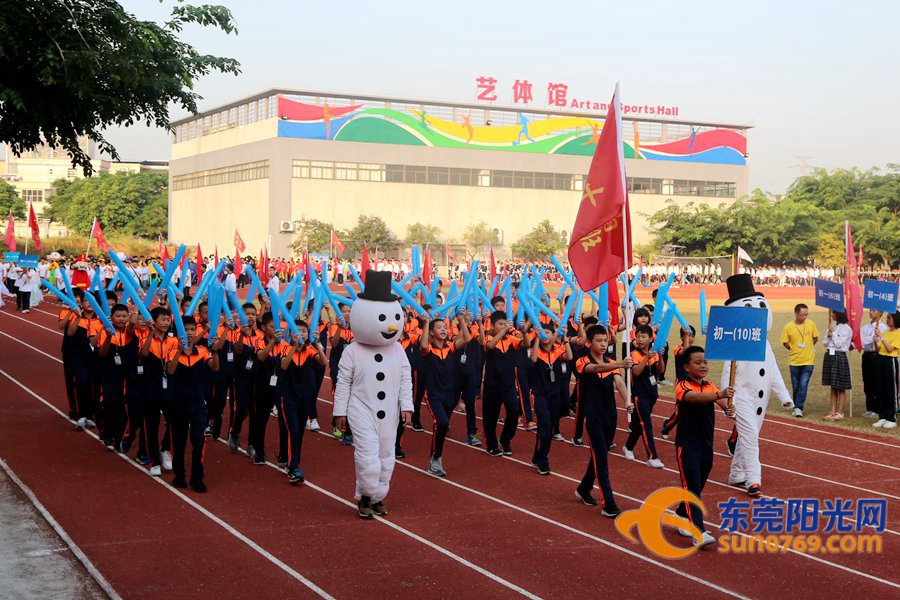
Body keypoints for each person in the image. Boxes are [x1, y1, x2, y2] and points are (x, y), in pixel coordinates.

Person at [332, 271, 413, 519]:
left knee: (386, 455)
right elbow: (342, 381)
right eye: (382, 318)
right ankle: (366, 497)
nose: (390, 325)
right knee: (367, 455)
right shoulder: (353, 351)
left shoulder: (397, 350)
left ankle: (377, 496)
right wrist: (340, 411)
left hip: (389, 411)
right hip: (361, 408)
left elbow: (405, 378)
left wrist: (406, 406)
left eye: (393, 318)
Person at [673, 346, 735, 548]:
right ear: (686, 367)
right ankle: (698, 531)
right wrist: (719, 395)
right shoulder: (682, 386)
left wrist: (729, 407)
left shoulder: (709, 386)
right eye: (697, 363)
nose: (703, 366)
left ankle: (682, 513)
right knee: (692, 488)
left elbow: (725, 405)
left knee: (697, 485)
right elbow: (693, 398)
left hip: (706, 445)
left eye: (705, 362)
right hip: (687, 444)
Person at [574, 325, 632, 517]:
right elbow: (596, 368)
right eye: (599, 341)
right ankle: (609, 504)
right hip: (593, 416)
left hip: (610, 415)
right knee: (601, 458)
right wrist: (620, 365)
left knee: (599, 455)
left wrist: (627, 400)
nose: (603, 344)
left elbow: (620, 383)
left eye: (606, 340)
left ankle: (584, 487)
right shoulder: (582, 361)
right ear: (589, 343)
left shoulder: (611, 363)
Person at [166, 316, 220, 492]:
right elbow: (170, 370)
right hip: (178, 404)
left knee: (198, 441)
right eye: (185, 330)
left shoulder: (203, 351)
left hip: (197, 403)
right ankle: (179, 476)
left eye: (192, 330)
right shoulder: (172, 350)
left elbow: (215, 367)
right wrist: (179, 351)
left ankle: (197, 479)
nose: (189, 333)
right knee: (179, 442)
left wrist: (216, 350)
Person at [419, 311, 470, 477]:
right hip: (434, 393)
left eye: (445, 327)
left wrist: (462, 320)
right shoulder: (429, 350)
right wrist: (426, 323)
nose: (443, 330)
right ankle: (435, 459)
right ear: (432, 332)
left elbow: (467, 339)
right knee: (440, 423)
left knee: (441, 426)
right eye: (439, 327)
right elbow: (424, 345)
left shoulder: (450, 347)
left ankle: (436, 457)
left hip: (450, 393)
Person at [279, 321, 327, 483]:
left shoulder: (310, 349)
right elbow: (284, 366)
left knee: (299, 430)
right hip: (289, 396)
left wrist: (316, 343)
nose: (301, 333)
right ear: (290, 334)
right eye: (296, 331)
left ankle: (291, 460)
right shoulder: (285, 347)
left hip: (305, 397)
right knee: (293, 430)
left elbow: (324, 362)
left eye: (304, 331)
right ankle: (293, 467)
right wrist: (294, 346)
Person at [528, 321, 572, 475]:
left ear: (554, 335)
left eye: (548, 333)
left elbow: (569, 356)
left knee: (548, 427)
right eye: (542, 333)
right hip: (540, 394)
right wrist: (536, 338)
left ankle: (536, 456)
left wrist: (565, 338)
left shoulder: (557, 351)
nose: (544, 335)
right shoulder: (536, 351)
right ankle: (543, 461)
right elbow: (533, 360)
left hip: (555, 394)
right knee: (545, 426)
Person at [482, 311, 525, 456]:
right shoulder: (488, 337)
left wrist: (524, 330)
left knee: (513, 411)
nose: (503, 326)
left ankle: (505, 439)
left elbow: (526, 343)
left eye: (504, 324)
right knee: (491, 416)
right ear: (493, 326)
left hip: (508, 384)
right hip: (492, 384)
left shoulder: (511, 339)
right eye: (499, 324)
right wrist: (504, 330)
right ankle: (491, 445)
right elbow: (490, 346)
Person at [623, 325, 666, 468]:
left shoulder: (655, 353)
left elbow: (661, 370)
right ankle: (652, 456)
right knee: (646, 424)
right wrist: (646, 358)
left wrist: (660, 357)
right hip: (639, 395)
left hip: (652, 393)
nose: (640, 339)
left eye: (643, 336)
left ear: (650, 338)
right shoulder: (634, 354)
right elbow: (635, 371)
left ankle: (628, 446)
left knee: (637, 424)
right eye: (638, 336)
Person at [780, 303, 819, 418]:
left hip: (808, 361)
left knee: (803, 385)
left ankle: (798, 407)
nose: (805, 317)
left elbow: (815, 338)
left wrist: (809, 348)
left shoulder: (811, 324)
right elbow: (785, 342)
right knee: (796, 385)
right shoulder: (788, 327)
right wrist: (793, 349)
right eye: (802, 315)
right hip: (794, 361)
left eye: (806, 315)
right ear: (796, 314)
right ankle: (797, 406)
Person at [660, 325, 696, 439]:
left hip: (693, 384)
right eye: (687, 336)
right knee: (679, 411)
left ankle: (687, 431)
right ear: (682, 337)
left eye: (692, 336)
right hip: (682, 384)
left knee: (692, 410)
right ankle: (667, 426)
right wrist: (686, 335)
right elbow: (685, 354)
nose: (690, 338)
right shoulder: (678, 349)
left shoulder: (695, 350)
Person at [822, 311, 852, 420]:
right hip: (829, 355)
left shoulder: (847, 329)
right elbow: (825, 343)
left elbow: (840, 344)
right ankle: (832, 410)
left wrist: (833, 334)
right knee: (833, 385)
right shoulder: (832, 326)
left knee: (841, 386)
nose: (832, 315)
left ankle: (840, 412)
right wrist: (829, 335)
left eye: (833, 313)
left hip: (839, 356)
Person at [872, 312, 899, 430]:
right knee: (881, 389)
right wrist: (875, 340)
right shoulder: (886, 332)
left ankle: (891, 418)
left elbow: (889, 349)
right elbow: (879, 350)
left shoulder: (898, 333)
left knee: (891, 390)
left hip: (891, 361)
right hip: (881, 360)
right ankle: (882, 416)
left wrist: (881, 338)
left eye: (889, 318)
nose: (887, 320)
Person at [860, 310, 888, 419]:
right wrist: (871, 338)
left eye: (874, 310)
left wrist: (873, 339)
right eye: (870, 310)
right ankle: (870, 408)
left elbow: (880, 342)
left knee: (877, 382)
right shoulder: (865, 327)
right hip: (867, 355)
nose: (871, 312)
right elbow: (861, 342)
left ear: (880, 313)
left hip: (877, 356)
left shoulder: (883, 328)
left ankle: (878, 409)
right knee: (867, 382)